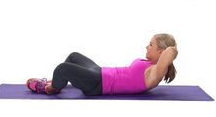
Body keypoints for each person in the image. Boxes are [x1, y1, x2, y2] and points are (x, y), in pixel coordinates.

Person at [26, 33, 178, 96]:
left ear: (161, 52)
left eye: (151, 45)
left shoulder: (154, 73)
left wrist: (172, 47)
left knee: (62, 68)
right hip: (100, 72)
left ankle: (51, 88)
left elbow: (171, 52)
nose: (147, 47)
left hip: (98, 84)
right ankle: (58, 81)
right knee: (73, 56)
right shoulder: (150, 63)